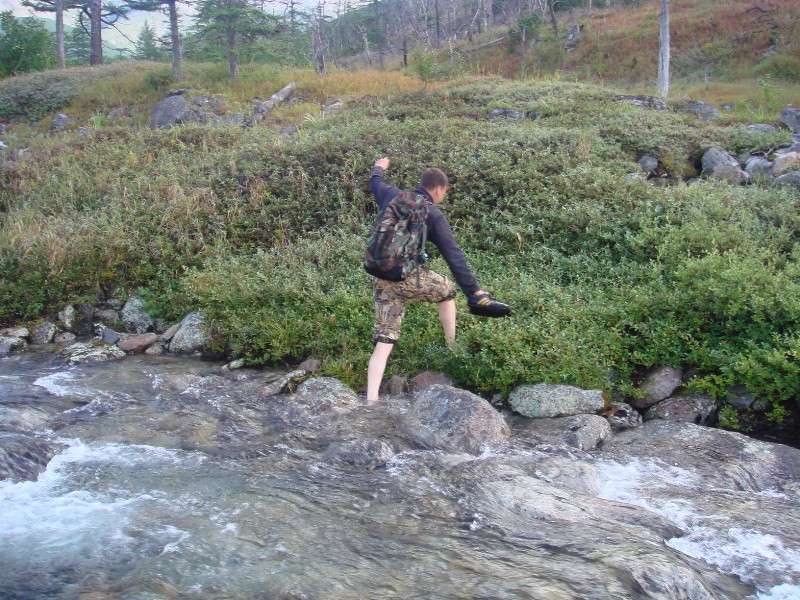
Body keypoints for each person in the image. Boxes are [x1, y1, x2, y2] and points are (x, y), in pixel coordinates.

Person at [365, 156, 509, 403]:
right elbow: (454, 256)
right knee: (447, 290)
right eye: (445, 192)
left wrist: (380, 166)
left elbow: (374, 182)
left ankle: (371, 401)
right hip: (407, 277)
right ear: (439, 189)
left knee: (384, 338)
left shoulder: (391, 195)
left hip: (380, 277)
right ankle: (452, 347)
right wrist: (474, 292)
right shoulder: (432, 213)